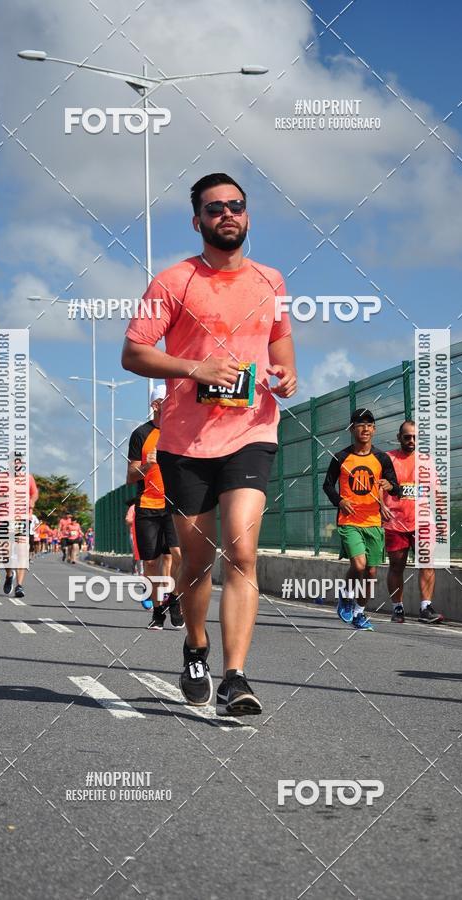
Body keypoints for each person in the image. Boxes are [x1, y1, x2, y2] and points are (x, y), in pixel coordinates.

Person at [122, 172, 296, 716]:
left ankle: (236, 677)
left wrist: (286, 377)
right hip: (184, 440)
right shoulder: (173, 282)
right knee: (196, 562)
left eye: (236, 206)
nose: (227, 214)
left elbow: (282, 348)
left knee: (242, 551)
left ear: (248, 216)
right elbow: (133, 353)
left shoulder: (271, 281)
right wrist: (196, 367)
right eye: (215, 207)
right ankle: (195, 646)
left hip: (251, 432)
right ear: (197, 220)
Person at [323, 408, 400, 630]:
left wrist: (390, 486)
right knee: (359, 565)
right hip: (349, 521)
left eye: (369, 424)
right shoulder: (341, 457)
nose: (365, 428)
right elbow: (327, 485)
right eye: (360, 424)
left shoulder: (382, 458)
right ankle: (346, 595)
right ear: (352, 429)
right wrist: (340, 501)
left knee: (371, 573)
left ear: (374, 430)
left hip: (374, 522)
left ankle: (359, 613)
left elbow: (396, 488)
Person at [126, 385, 183, 630]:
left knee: (179, 556)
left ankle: (175, 600)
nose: (171, 403)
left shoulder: (181, 430)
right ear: (155, 405)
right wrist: (148, 466)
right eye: (165, 399)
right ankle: (158, 611)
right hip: (148, 505)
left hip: (175, 505)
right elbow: (130, 476)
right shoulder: (141, 434)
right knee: (151, 563)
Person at [381, 420, 444, 624]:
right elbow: (377, 488)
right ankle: (397, 608)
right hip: (395, 522)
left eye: (415, 437)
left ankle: (426, 608)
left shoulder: (427, 460)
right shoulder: (387, 459)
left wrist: (442, 516)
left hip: (423, 521)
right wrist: (381, 507)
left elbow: (436, 491)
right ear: (399, 437)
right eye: (407, 436)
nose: (411, 440)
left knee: (427, 563)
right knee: (397, 566)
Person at [2, 472, 39, 598]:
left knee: (22, 552)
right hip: (7, 519)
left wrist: (32, 500)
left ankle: (19, 586)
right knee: (5, 552)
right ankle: (9, 575)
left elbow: (34, 493)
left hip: (22, 519)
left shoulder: (28, 478)